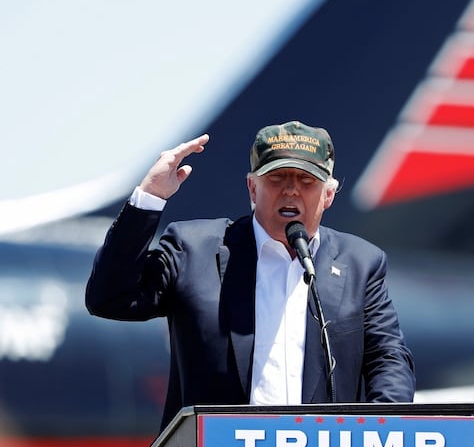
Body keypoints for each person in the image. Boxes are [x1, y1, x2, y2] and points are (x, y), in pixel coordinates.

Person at [86, 120, 416, 428]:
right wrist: (150, 196)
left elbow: (387, 359)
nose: (291, 191)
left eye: (306, 181)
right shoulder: (194, 248)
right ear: (252, 188)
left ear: (328, 194)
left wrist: (382, 434)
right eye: (276, 178)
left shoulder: (360, 263)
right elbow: (110, 298)